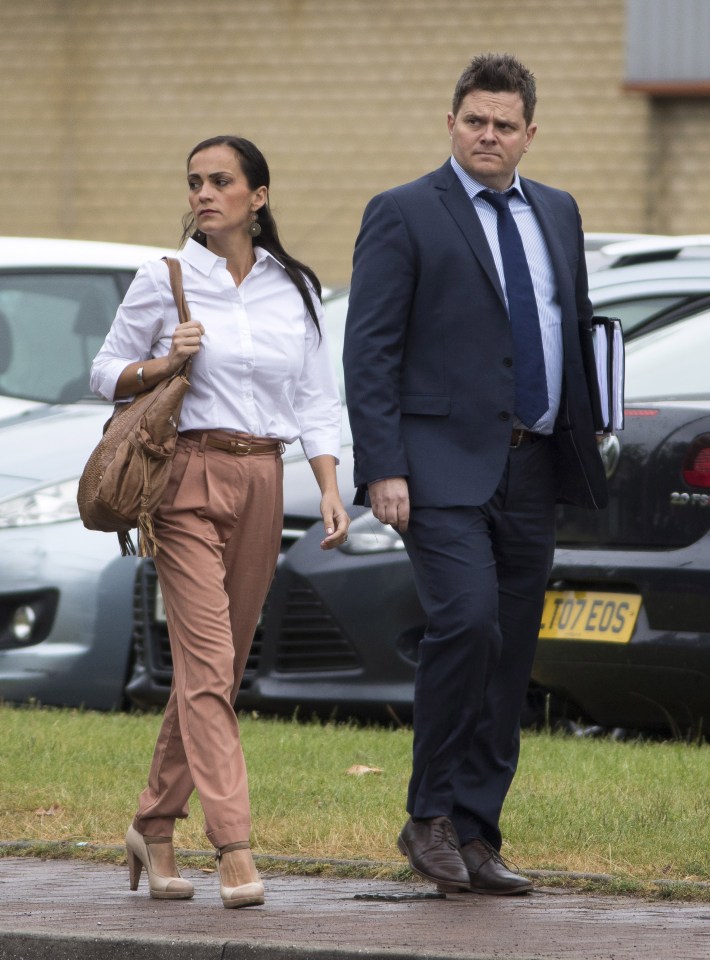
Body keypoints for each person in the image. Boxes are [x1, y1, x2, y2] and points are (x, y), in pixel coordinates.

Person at [343, 54, 607, 895]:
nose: (487, 135)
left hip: (534, 465)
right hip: (438, 470)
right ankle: (428, 817)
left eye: (504, 124)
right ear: (450, 123)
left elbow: (572, 330)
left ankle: (479, 831)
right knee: (468, 621)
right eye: (474, 121)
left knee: (510, 652)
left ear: (530, 133)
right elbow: (371, 350)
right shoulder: (405, 213)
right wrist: (382, 466)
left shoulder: (558, 213)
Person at [91, 135, 350, 908]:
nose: (205, 193)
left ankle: (152, 825)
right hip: (183, 477)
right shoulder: (164, 276)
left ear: (258, 196)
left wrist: (329, 487)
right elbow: (104, 372)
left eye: (222, 181)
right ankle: (233, 846)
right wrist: (163, 363)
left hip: (265, 477)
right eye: (195, 182)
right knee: (206, 663)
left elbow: (315, 399)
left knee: (221, 668)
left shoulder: (293, 287)